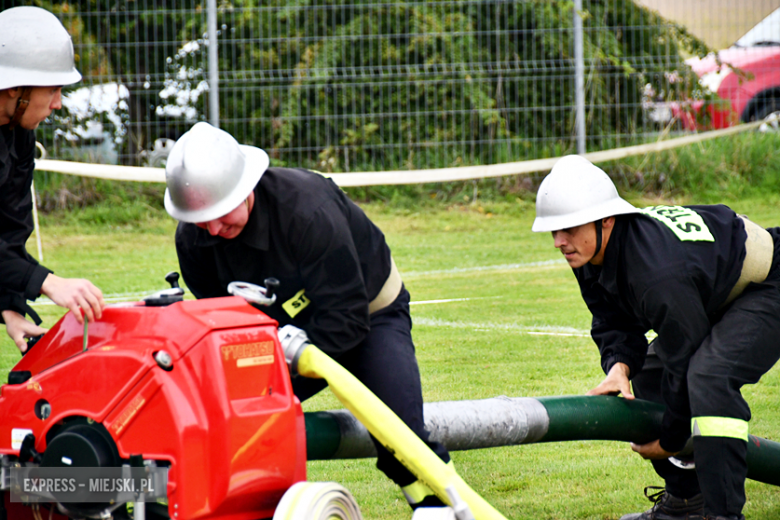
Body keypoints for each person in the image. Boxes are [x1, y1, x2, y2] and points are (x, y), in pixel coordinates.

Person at [165, 122, 451, 509]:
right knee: (235, 420)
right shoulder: (193, 241)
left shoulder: (308, 211)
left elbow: (347, 320)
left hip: (367, 315)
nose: (214, 229)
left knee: (400, 432)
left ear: (246, 187)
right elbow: (223, 326)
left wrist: (279, 376)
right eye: (203, 219)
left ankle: (438, 508)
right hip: (282, 337)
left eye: (222, 214)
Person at [532, 155, 780, 520]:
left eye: (568, 228)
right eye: (554, 231)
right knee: (648, 372)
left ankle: (723, 515)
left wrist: (671, 439)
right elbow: (611, 319)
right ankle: (686, 504)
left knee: (709, 376)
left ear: (607, 220)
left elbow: (687, 350)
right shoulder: (592, 252)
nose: (559, 241)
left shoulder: (655, 270)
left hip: (768, 285)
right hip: (715, 290)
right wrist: (619, 367)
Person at [0, 6, 105, 353]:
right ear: (16, 88)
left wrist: (9, 306)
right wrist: (47, 282)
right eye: (54, 89)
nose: (58, 104)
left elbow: (9, 232)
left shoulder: (20, 135)